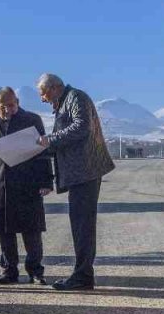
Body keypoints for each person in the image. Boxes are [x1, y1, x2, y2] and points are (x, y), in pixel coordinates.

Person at [36, 73, 115, 291]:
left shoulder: (75, 97)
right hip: (81, 173)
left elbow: (81, 127)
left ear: (53, 88)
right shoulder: (67, 100)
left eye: (42, 93)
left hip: (85, 172)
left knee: (83, 226)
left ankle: (83, 276)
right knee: (80, 225)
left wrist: (49, 140)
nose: (42, 99)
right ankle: (82, 274)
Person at [0, 87, 53, 284]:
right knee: (4, 232)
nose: (7, 110)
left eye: (11, 105)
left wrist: (46, 181)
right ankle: (9, 271)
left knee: (31, 232)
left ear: (18, 103)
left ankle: (35, 271)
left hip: (28, 185)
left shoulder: (32, 120)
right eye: (2, 106)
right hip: (0, 186)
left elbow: (42, 153)